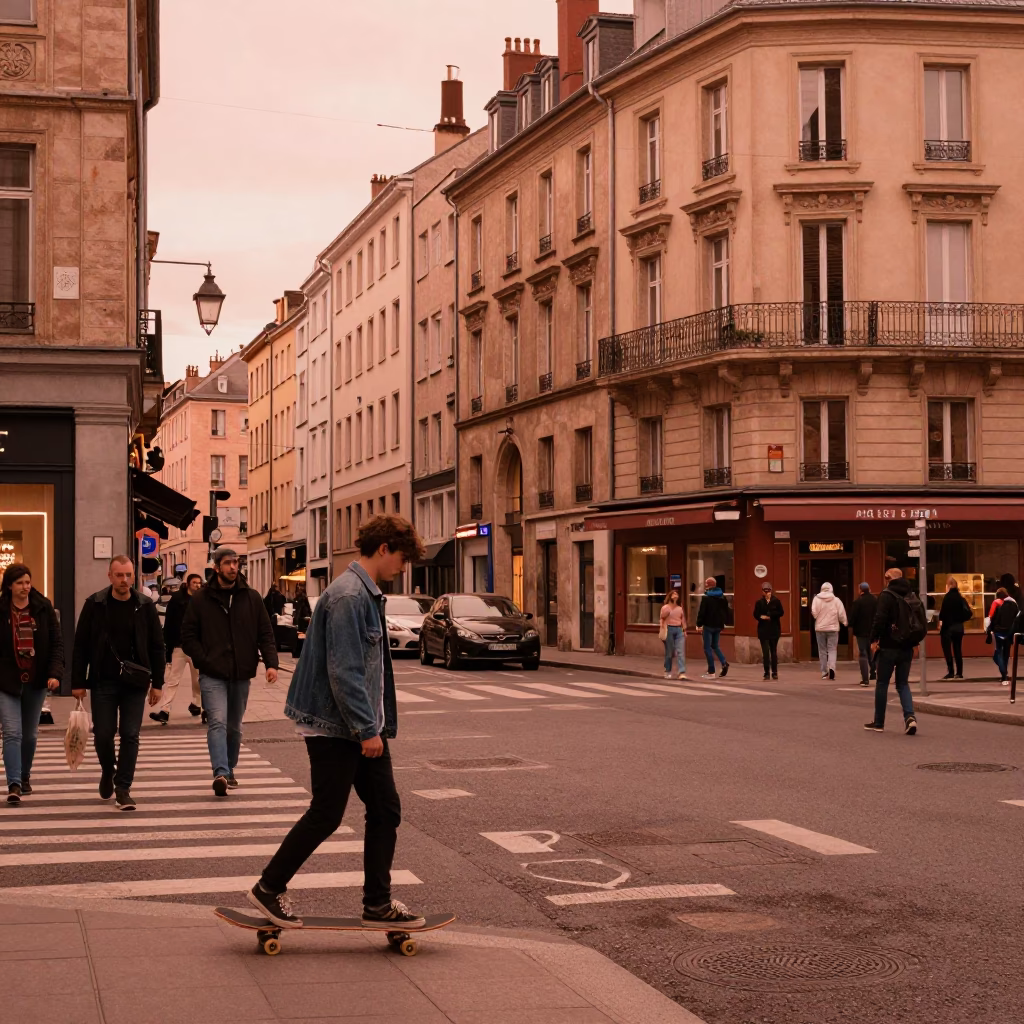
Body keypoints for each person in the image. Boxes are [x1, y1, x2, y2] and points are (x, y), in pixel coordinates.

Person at [247, 514, 427, 929]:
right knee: (328, 813)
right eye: (401, 559)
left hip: (357, 725)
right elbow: (345, 671)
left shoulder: (364, 593)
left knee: (385, 809)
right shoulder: (349, 596)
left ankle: (377, 905)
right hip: (338, 727)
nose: (403, 569)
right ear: (384, 549)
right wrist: (367, 729)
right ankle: (268, 888)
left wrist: (372, 727)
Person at [182, 547, 279, 796]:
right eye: (228, 563)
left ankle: (230, 768)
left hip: (241, 672)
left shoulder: (251, 597)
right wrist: (204, 660)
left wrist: (271, 664)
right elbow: (188, 636)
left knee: (234, 726)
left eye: (236, 562)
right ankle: (221, 772)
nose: (233, 567)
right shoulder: (201, 599)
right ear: (216, 567)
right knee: (217, 722)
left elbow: (265, 633)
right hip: (212, 673)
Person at [71, 555, 165, 810]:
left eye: (128, 575)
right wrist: (77, 682)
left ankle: (123, 788)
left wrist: (158, 683)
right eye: (119, 575)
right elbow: (80, 646)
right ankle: (107, 770)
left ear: (134, 576)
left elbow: (157, 646)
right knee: (103, 733)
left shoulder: (144, 605)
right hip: (104, 680)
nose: (124, 580)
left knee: (130, 734)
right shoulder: (95, 603)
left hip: (135, 682)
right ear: (109, 576)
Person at [0, 564, 63, 804]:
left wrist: (55, 672)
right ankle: (14, 783)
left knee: (29, 735)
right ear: (9, 585)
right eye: (20, 583)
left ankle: (25, 775)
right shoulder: (1, 609)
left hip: (36, 680)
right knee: (12, 733)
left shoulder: (42, 607)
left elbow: (57, 643)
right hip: (6, 681)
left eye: (28, 582)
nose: (25, 587)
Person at [865, 568, 921, 735]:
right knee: (902, 683)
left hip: (888, 646)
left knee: (882, 683)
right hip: (907, 646)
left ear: (888, 578)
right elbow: (916, 621)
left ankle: (879, 722)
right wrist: (915, 642)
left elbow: (879, 619)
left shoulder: (886, 595)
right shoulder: (912, 595)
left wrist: (873, 640)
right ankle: (910, 717)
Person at [150, 573, 204, 725]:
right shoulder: (177, 599)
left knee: (199, 680)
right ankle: (165, 711)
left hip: (196, 648)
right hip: (179, 647)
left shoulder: (202, 600)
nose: (198, 586)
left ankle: (199, 706)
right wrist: (167, 648)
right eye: (195, 583)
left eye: (199, 583)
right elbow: (169, 624)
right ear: (188, 583)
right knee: (172, 680)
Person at [938, 577, 972, 680]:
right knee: (958, 650)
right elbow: (969, 613)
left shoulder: (947, 598)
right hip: (959, 627)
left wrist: (941, 623)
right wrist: (960, 619)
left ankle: (951, 672)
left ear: (948, 586)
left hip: (948, 628)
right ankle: (959, 673)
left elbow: (942, 614)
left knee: (947, 650)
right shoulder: (961, 598)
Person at [811, 582, 847, 681]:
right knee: (832, 649)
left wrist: (818, 617)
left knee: (822, 650)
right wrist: (844, 622)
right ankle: (831, 668)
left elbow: (814, 612)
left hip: (820, 628)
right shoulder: (836, 600)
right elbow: (841, 613)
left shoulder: (816, 599)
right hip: (833, 628)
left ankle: (824, 672)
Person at [695, 577, 729, 679]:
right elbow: (726, 612)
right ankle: (724, 663)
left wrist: (698, 624)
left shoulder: (706, 598)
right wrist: (722, 623)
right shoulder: (722, 597)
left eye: (706, 584)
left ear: (708, 585)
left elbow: (702, 612)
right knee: (715, 646)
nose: (705, 585)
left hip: (708, 626)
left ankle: (711, 671)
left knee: (707, 648)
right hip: (718, 626)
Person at [848, 582, 878, 687]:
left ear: (860, 590)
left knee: (863, 653)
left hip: (861, 632)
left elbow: (853, 618)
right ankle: (873, 672)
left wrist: (850, 624)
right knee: (872, 651)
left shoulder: (858, 602)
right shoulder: (875, 600)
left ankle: (865, 679)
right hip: (873, 631)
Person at [752, 582, 784, 680]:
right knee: (766, 652)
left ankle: (774, 672)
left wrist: (770, 612)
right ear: (762, 592)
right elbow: (756, 614)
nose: (767, 593)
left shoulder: (776, 601)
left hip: (774, 630)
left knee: (773, 651)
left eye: (768, 591)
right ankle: (766, 672)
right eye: (765, 591)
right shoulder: (759, 602)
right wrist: (762, 617)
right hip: (763, 630)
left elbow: (781, 612)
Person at [987, 586, 1017, 684]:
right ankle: (1004, 674)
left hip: (998, 632)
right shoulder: (1014, 604)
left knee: (997, 654)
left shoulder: (997, 603)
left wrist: (990, 629)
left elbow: (992, 617)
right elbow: (1017, 619)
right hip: (1009, 633)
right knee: (1006, 654)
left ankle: (1004, 674)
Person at [659, 590, 687, 680]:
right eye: (674, 594)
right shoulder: (665, 607)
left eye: (676, 594)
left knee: (681, 651)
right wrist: (662, 628)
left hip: (679, 630)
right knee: (670, 651)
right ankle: (667, 670)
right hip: (669, 629)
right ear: (670, 596)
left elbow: (683, 620)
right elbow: (662, 618)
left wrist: (684, 630)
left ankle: (682, 672)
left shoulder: (680, 607)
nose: (675, 595)